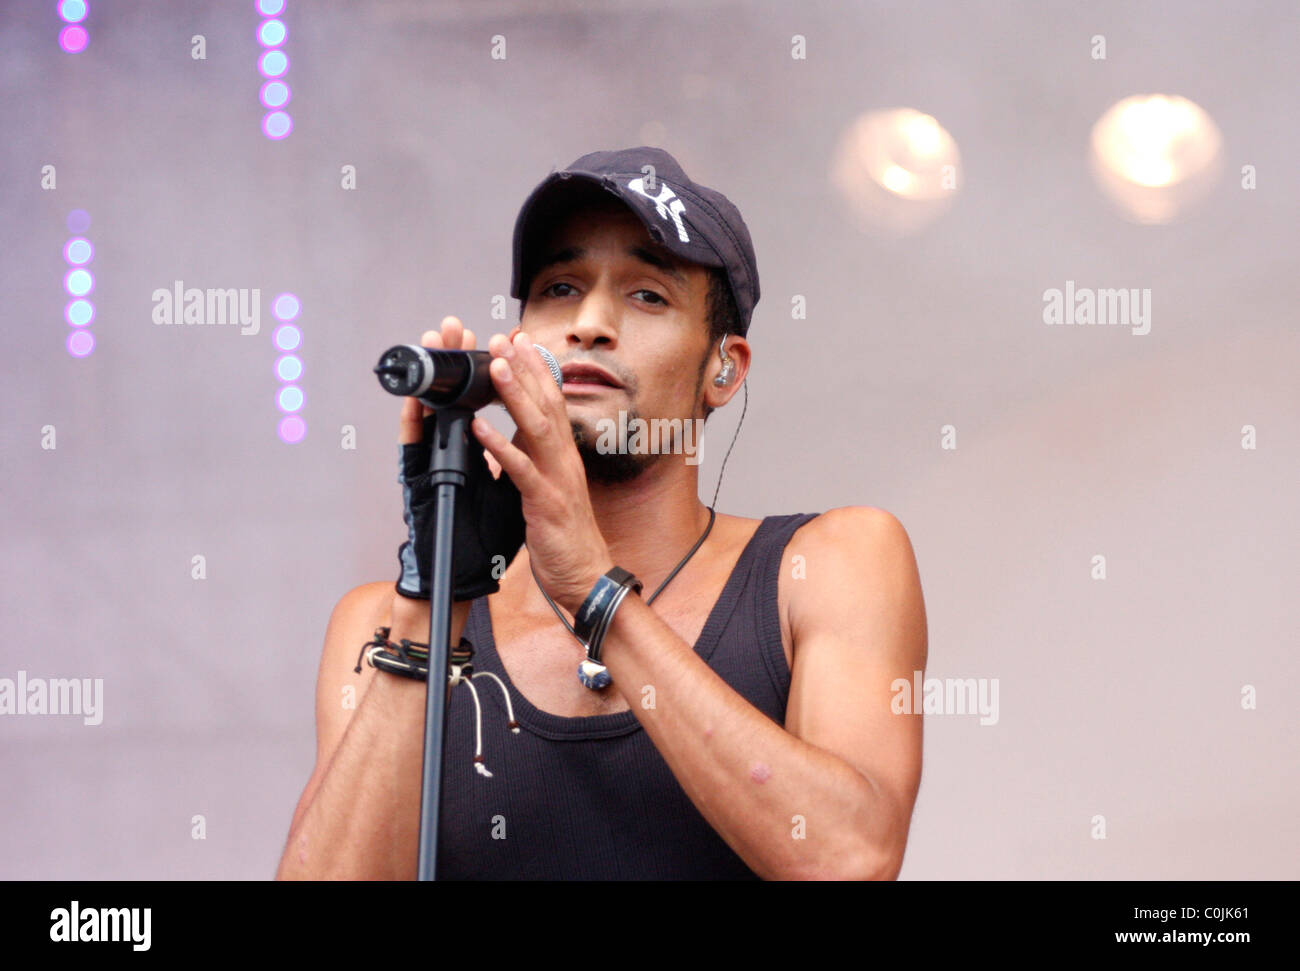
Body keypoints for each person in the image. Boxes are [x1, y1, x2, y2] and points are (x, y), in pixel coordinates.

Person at [275, 147, 928, 880]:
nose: (589, 322)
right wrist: (435, 598)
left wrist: (595, 590)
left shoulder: (829, 562)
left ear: (725, 368)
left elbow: (848, 857)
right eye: (560, 286)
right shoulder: (386, 619)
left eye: (647, 294)